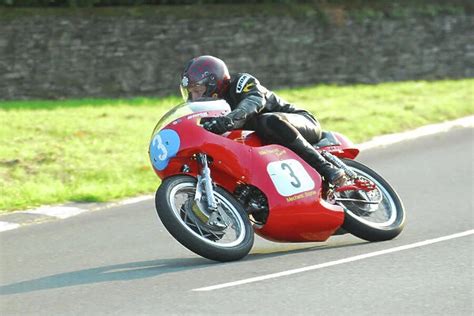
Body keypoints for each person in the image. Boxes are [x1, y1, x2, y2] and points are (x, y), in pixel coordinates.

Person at [180, 55, 346, 186]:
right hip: (267, 146)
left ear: (213, 83)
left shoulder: (242, 82)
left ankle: (326, 168)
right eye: (190, 92)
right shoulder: (209, 111)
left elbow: (254, 101)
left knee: (267, 120)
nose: (193, 97)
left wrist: (230, 119)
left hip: (300, 122)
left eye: (197, 90)